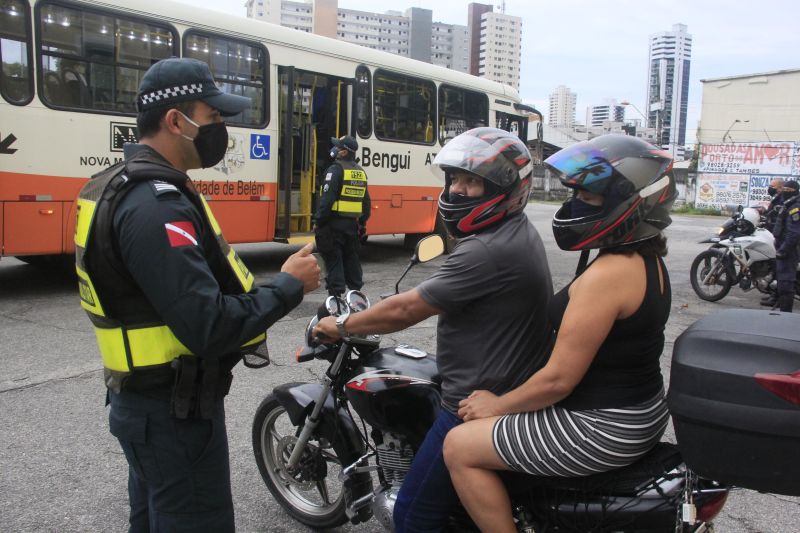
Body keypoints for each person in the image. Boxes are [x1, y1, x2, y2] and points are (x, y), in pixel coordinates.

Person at [74, 57, 320, 532]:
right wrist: (288, 285)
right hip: (172, 417)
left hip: (150, 405)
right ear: (175, 121)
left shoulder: (120, 185)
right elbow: (208, 325)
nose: (221, 129)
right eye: (213, 118)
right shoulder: (154, 205)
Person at [312, 127, 554, 532]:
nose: (457, 190)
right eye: (455, 178)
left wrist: (340, 324)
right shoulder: (514, 231)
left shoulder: (486, 250)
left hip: (472, 401)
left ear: (505, 189)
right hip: (507, 380)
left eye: (472, 182)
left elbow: (406, 309)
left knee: (412, 516)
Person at [443, 134, 677, 533]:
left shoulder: (610, 274)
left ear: (632, 203)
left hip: (603, 424)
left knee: (459, 447)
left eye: (587, 198)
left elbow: (558, 380)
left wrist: (497, 404)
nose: (573, 206)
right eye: (576, 195)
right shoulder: (646, 259)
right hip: (642, 412)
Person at [313, 135, 371, 297]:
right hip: (352, 225)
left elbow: (327, 199)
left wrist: (318, 220)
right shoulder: (360, 172)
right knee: (351, 257)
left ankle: (336, 297)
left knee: (334, 259)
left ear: (344, 152)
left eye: (338, 147)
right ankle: (355, 294)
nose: (335, 150)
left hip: (333, 225)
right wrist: (362, 222)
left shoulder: (335, 170)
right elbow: (366, 202)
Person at [772, 179, 800, 312]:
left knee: (785, 283)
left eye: (789, 191)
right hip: (783, 245)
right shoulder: (787, 203)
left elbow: (794, 233)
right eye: (785, 190)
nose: (785, 192)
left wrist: (783, 250)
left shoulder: (795, 208)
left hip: (789, 249)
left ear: (795, 191)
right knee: (782, 280)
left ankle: (785, 315)